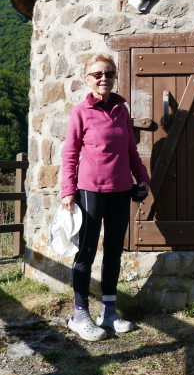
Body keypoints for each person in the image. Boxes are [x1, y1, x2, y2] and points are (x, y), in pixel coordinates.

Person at [61, 53, 150, 341]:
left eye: (109, 74)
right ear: (87, 78)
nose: (104, 78)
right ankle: (80, 315)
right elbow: (70, 154)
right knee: (86, 252)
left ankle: (109, 313)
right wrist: (67, 191)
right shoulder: (80, 112)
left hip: (121, 190)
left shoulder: (122, 111)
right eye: (97, 74)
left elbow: (131, 151)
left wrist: (142, 178)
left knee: (113, 251)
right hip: (90, 191)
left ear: (114, 77)